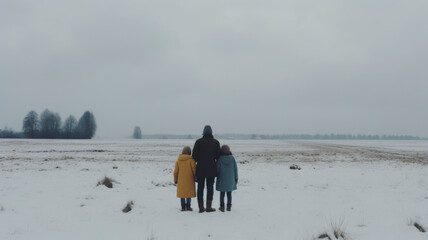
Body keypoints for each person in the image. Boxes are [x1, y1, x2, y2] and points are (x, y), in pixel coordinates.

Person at [192, 125, 220, 213]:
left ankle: (201, 207)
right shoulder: (216, 142)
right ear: (211, 132)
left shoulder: (198, 142)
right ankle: (209, 207)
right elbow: (218, 156)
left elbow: (194, 157)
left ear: (203, 132)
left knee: (200, 188)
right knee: (210, 187)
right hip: (211, 169)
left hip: (200, 169)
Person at [173, 146, 197, 211]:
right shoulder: (191, 160)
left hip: (181, 180)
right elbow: (194, 171)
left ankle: (183, 207)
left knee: (182, 194)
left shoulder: (178, 160)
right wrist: (196, 178)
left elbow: (175, 172)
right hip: (190, 180)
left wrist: (175, 179)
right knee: (189, 193)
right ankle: (188, 207)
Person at [216, 145, 238, 212]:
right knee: (229, 194)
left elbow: (217, 169)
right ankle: (229, 206)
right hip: (230, 179)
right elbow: (235, 169)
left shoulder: (219, 158)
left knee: (222, 194)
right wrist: (236, 178)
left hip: (222, 178)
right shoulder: (232, 158)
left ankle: (222, 207)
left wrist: (216, 175)